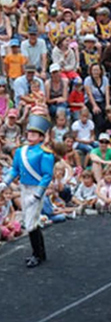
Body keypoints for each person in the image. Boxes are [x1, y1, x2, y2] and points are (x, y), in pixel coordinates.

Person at [0, 115, 55, 268]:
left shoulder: (45, 153)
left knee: (30, 223)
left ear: (41, 137)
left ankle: (37, 255)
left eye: (34, 134)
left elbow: (47, 175)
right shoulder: (21, 151)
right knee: (31, 221)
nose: (30, 136)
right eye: (29, 133)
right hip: (24, 188)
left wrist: (38, 194)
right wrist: (5, 183)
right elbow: (15, 169)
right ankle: (40, 252)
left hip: (36, 189)